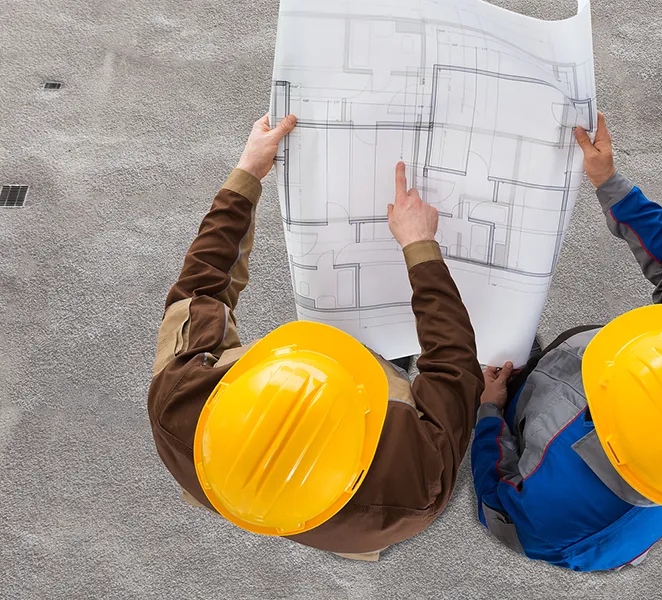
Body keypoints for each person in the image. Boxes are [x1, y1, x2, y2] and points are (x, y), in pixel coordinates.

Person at [147, 113, 483, 561]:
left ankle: (347, 542)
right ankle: (351, 543)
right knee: (361, 529)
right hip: (365, 519)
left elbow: (199, 288)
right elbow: (455, 365)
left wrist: (247, 175)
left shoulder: (179, 408)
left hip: (331, 517)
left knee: (355, 530)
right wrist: (419, 243)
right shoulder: (413, 488)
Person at [470, 113, 662, 572]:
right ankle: (636, 544)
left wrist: (490, 410)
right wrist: (609, 183)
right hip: (636, 510)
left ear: (607, 431)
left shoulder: (545, 519)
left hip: (570, 526)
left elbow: (494, 494)